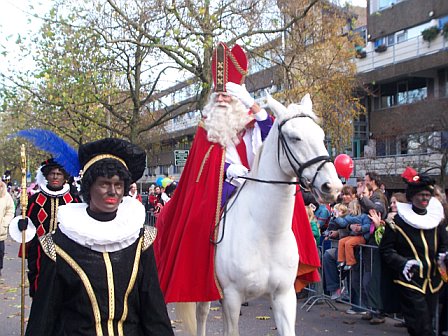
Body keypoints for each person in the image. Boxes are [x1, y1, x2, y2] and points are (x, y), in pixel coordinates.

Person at [154, 41, 320, 303]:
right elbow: (205, 165)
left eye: (227, 94)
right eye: (218, 94)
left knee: (287, 203)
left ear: (238, 95)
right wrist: (231, 170)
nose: (221, 99)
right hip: (226, 184)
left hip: (260, 182)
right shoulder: (206, 125)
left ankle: (293, 261)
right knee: (199, 220)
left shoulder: (256, 120)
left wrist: (258, 111)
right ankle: (204, 274)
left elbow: (275, 140)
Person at [24, 138, 174, 335]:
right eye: (104, 184)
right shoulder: (58, 245)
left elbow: (153, 311)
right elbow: (44, 317)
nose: (112, 191)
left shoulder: (140, 239)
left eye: (118, 185)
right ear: (88, 188)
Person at [380, 167, 448, 336]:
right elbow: (386, 250)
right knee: (422, 326)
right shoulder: (397, 223)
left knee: (424, 323)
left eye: (427, 195)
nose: (424, 198)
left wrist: (443, 256)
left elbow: (444, 244)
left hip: (433, 281)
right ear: (412, 196)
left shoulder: (436, 221)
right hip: (410, 281)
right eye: (421, 194)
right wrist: (403, 263)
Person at [25, 158, 81, 297]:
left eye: (59, 174)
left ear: (65, 177)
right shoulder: (34, 200)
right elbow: (27, 224)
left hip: (67, 250)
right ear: (47, 176)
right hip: (39, 251)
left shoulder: (74, 200)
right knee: (40, 286)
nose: (55, 177)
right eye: (52, 173)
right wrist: (22, 224)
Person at [0, 181, 15, 276]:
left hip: (0, 233)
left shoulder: (5, 196)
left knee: (0, 254)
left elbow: (10, 210)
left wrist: (4, 223)